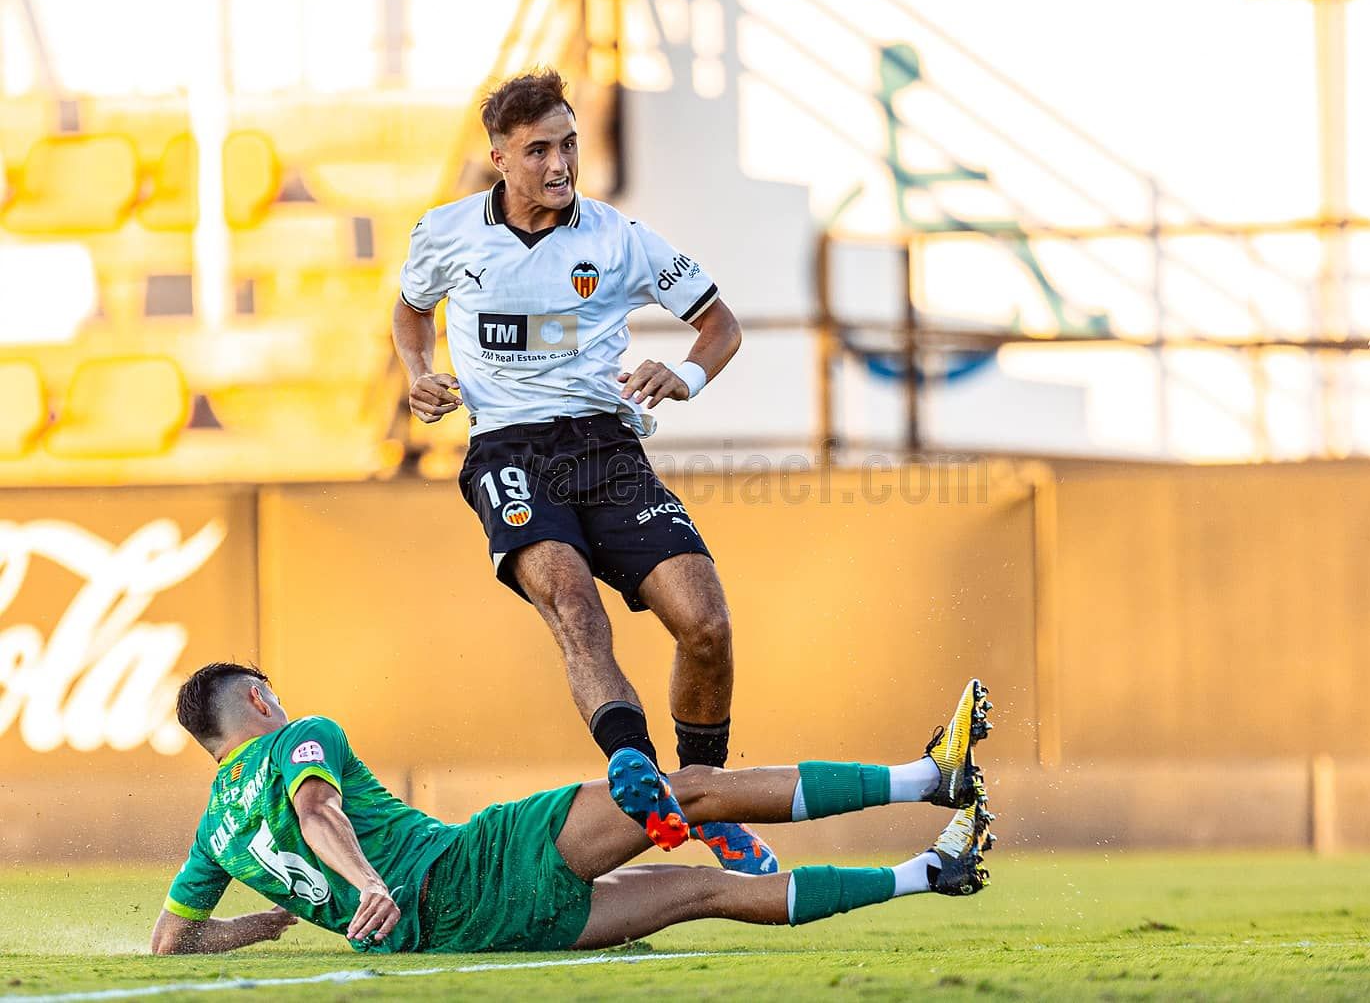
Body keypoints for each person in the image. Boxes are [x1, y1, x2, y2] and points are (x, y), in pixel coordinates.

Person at [389, 67, 764, 871]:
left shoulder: (620, 239)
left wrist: (685, 375)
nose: (560, 165)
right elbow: (411, 309)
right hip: (507, 449)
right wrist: (418, 372)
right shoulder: (446, 233)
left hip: (605, 447)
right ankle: (636, 772)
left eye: (568, 145)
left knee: (707, 626)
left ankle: (703, 797)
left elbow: (720, 325)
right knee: (572, 602)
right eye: (538, 151)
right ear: (499, 157)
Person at [151, 663, 996, 955]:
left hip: (461, 938)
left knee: (706, 893)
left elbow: (171, 943)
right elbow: (317, 813)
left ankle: (932, 871)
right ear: (259, 698)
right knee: (689, 787)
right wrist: (368, 881)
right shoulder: (299, 735)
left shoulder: (212, 835)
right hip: (471, 865)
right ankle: (929, 780)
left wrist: (266, 923)